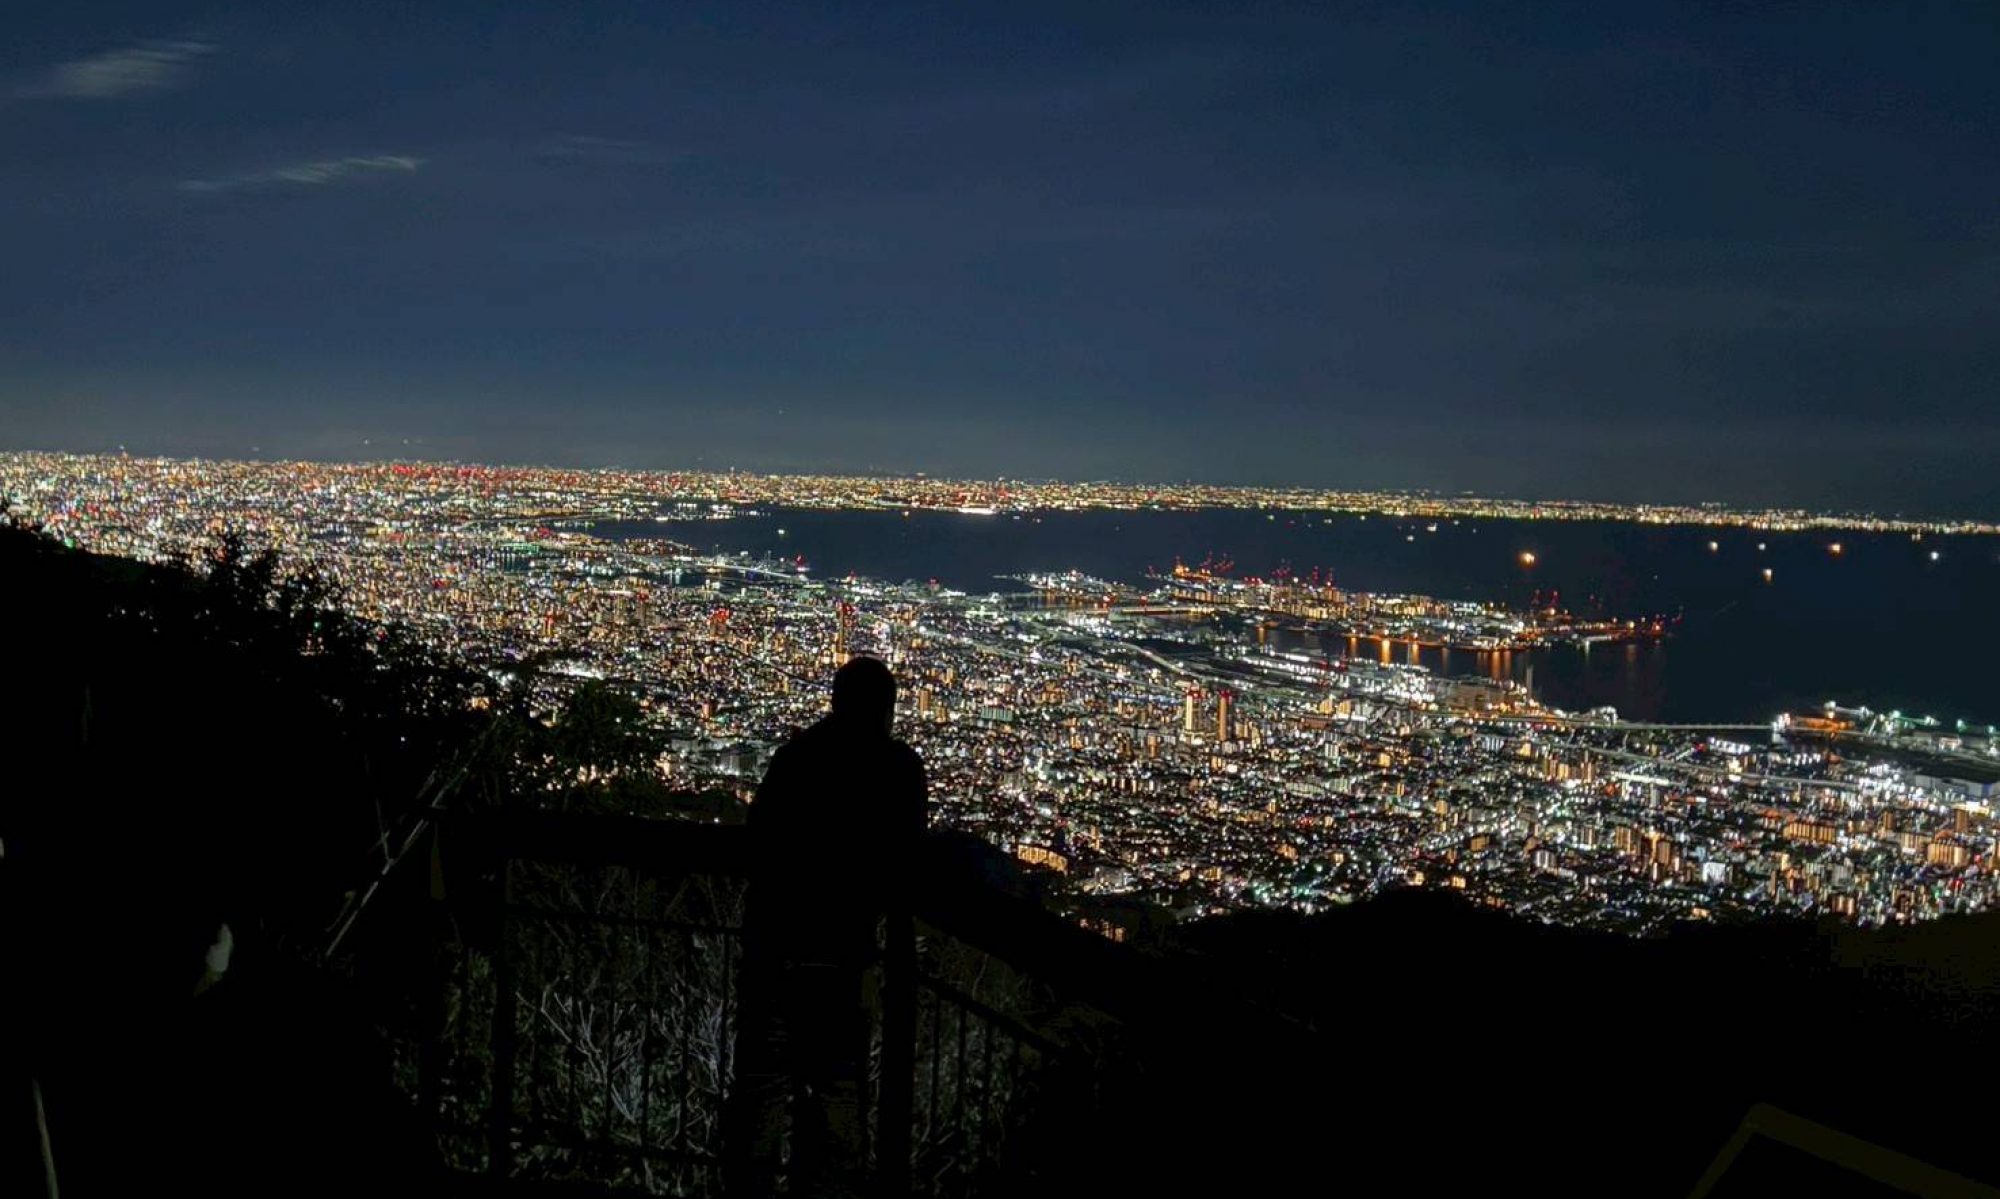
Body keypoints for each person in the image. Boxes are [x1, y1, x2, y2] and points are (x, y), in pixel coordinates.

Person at [728, 657, 929, 1197]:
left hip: (775, 950)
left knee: (760, 1097)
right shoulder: (899, 769)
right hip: (843, 959)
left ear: (835, 701)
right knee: (842, 1102)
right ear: (887, 710)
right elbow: (907, 859)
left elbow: (759, 839)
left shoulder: (796, 758)